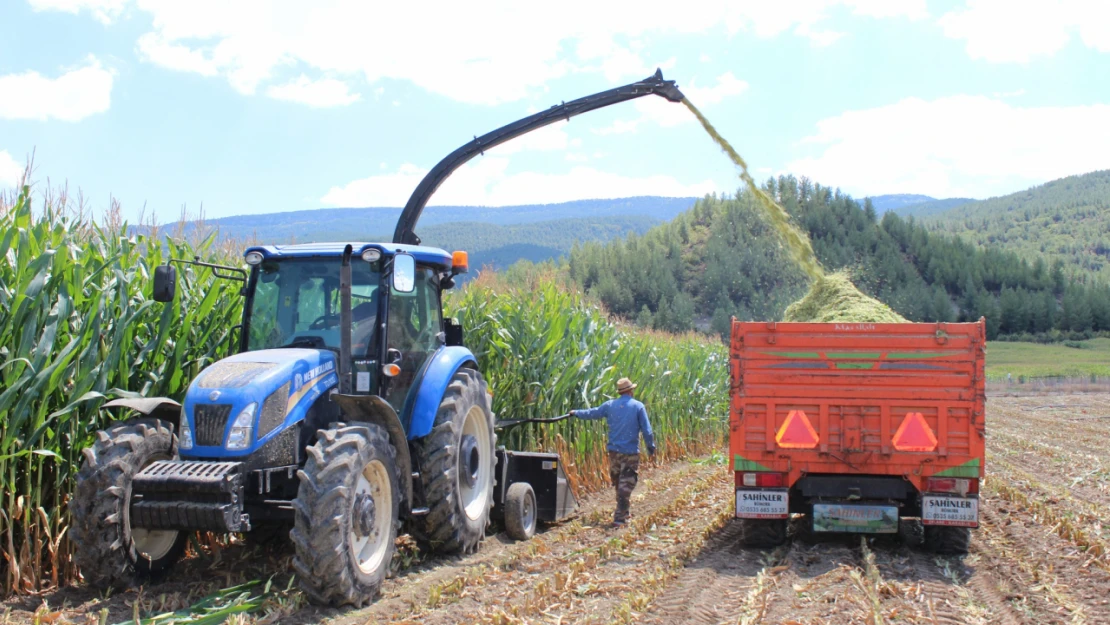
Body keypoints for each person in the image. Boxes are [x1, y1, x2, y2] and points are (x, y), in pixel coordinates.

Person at [570, 377, 655, 527]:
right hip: (630, 452)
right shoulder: (638, 406)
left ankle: (623, 512)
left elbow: (592, 413)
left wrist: (576, 412)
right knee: (625, 485)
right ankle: (620, 518)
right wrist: (650, 447)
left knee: (618, 482)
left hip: (614, 452)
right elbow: (647, 430)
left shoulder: (610, 405)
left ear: (620, 392)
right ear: (631, 391)